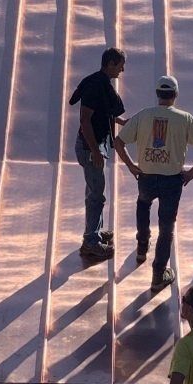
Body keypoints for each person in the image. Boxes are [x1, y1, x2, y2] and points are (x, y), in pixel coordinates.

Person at [117, 75, 193, 291]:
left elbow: (119, 142)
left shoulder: (144, 115)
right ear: (176, 95)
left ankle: (142, 246)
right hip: (172, 180)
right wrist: (191, 174)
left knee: (143, 204)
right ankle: (158, 275)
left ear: (158, 94)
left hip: (146, 176)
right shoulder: (185, 118)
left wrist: (131, 165)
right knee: (166, 227)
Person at [68, 47, 127, 261]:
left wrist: (122, 122)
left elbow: (104, 112)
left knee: (94, 191)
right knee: (96, 196)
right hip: (90, 147)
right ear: (110, 63)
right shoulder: (96, 86)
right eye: (120, 65)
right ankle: (91, 241)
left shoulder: (99, 82)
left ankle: (95, 232)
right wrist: (95, 151)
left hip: (94, 145)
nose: (122, 70)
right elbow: (85, 120)